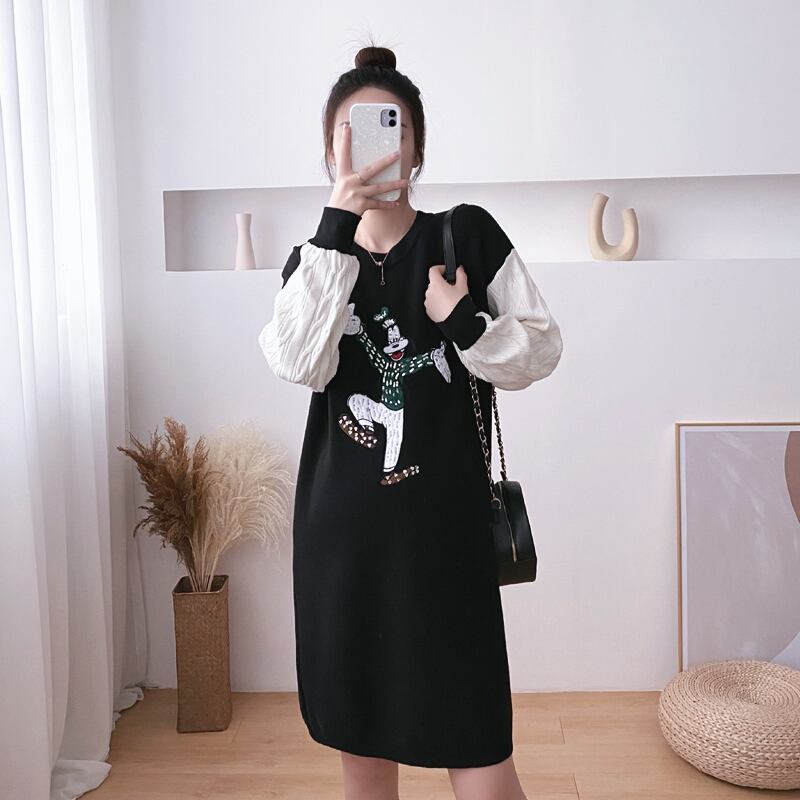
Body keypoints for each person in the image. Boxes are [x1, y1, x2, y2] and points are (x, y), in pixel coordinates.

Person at [258, 43, 563, 800]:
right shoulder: (314, 260)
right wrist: (337, 224)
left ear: (416, 149)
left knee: (481, 758)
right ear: (330, 152)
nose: (372, 147)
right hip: (343, 549)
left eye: (390, 128)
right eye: (352, 133)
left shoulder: (466, 235)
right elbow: (298, 361)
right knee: (364, 761)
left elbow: (540, 351)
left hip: (445, 545)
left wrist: (462, 322)